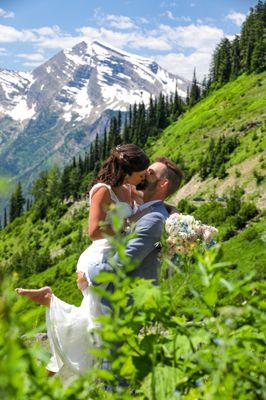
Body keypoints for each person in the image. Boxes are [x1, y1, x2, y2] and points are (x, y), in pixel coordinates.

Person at [15, 144, 150, 376]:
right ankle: (72, 376)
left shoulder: (129, 188)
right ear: (128, 170)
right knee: (99, 328)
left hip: (118, 259)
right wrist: (129, 227)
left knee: (91, 324)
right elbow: (94, 231)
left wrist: (170, 213)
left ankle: (53, 371)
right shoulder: (103, 190)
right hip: (99, 260)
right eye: (141, 172)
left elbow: (148, 207)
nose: (144, 176)